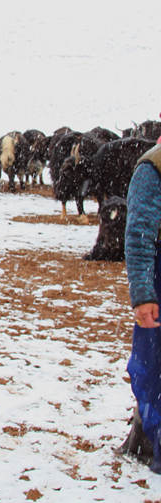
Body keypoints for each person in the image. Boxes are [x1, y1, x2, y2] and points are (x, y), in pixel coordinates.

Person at [125, 142, 161, 472]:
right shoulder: (152, 169)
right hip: (158, 281)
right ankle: (155, 442)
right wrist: (144, 294)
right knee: (153, 367)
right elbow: (139, 233)